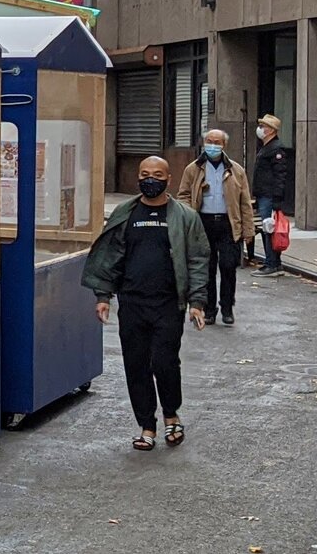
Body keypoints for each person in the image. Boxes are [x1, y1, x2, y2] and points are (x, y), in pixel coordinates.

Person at [82, 155, 210, 451]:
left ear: (168, 179)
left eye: (157, 174)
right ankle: (147, 425)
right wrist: (103, 296)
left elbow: (198, 260)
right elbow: (111, 258)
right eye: (144, 174)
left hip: (168, 305)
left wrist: (197, 302)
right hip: (132, 303)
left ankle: (171, 414)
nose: (149, 179)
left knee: (165, 362)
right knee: (136, 364)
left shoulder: (184, 216)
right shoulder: (125, 213)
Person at [177, 127, 252, 325]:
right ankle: (209, 309)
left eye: (217, 142)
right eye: (209, 141)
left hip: (228, 224)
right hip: (203, 223)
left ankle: (227, 307)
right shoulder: (193, 168)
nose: (212, 145)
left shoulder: (236, 170)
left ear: (224, 145)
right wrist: (189, 214)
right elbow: (183, 194)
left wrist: (248, 230)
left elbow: (245, 202)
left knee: (228, 266)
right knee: (206, 269)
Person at [249, 115, 294, 274]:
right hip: (264, 194)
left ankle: (271, 263)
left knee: (268, 228)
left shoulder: (276, 149)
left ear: (271, 130)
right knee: (268, 228)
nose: (260, 129)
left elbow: (280, 175)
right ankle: (274, 262)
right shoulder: (267, 147)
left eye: (263, 126)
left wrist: (276, 199)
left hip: (269, 196)